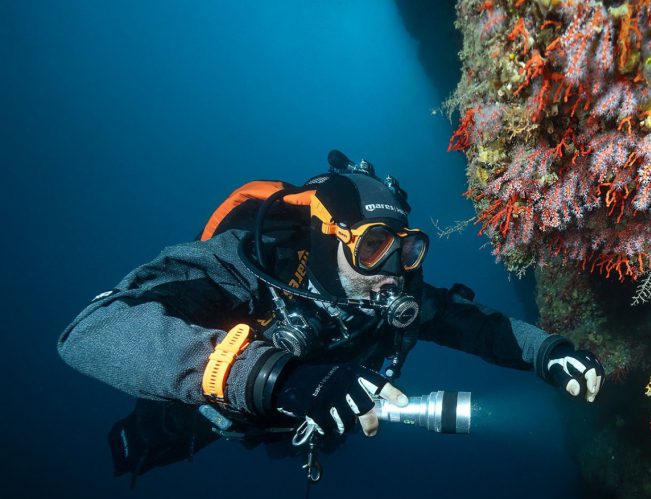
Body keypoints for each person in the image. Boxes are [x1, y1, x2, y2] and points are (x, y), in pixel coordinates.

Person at [57, 150, 605, 479]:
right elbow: (88, 333)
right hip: (225, 397)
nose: (393, 269)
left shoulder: (395, 295)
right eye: (373, 247)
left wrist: (548, 352)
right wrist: (274, 375)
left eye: (406, 249)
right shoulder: (246, 263)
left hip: (327, 413)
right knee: (191, 423)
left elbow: (479, 327)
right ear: (328, 238)